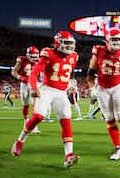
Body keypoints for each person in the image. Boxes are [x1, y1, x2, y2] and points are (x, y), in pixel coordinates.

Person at [11, 30, 80, 168]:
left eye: (70, 44)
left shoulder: (74, 56)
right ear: (57, 43)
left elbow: (68, 72)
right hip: (47, 90)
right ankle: (19, 141)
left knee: (66, 121)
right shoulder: (49, 53)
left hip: (61, 92)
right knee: (38, 117)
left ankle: (68, 156)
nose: (69, 47)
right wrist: (34, 87)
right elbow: (34, 73)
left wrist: (70, 84)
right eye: (66, 43)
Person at [87, 28, 120, 160]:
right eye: (114, 39)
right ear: (107, 41)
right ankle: (118, 149)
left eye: (119, 40)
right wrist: (92, 88)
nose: (116, 42)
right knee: (109, 118)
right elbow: (90, 74)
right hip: (102, 88)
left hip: (117, 87)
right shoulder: (99, 51)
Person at [11, 46, 41, 133]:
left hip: (34, 84)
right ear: (27, 55)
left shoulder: (39, 61)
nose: (34, 58)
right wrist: (20, 77)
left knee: (35, 106)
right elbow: (13, 71)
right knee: (25, 105)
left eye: (35, 56)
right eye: (32, 56)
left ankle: (34, 127)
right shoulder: (21, 60)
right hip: (24, 84)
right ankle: (26, 122)